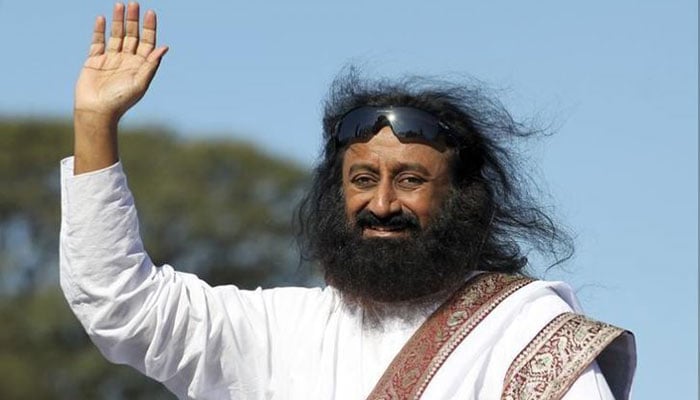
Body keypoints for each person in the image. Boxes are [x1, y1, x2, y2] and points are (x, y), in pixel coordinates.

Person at [60, 2, 636, 399]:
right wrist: (94, 123)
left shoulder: (525, 331)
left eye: (409, 180)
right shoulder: (279, 332)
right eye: (362, 179)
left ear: (461, 198)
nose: (381, 204)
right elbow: (120, 304)